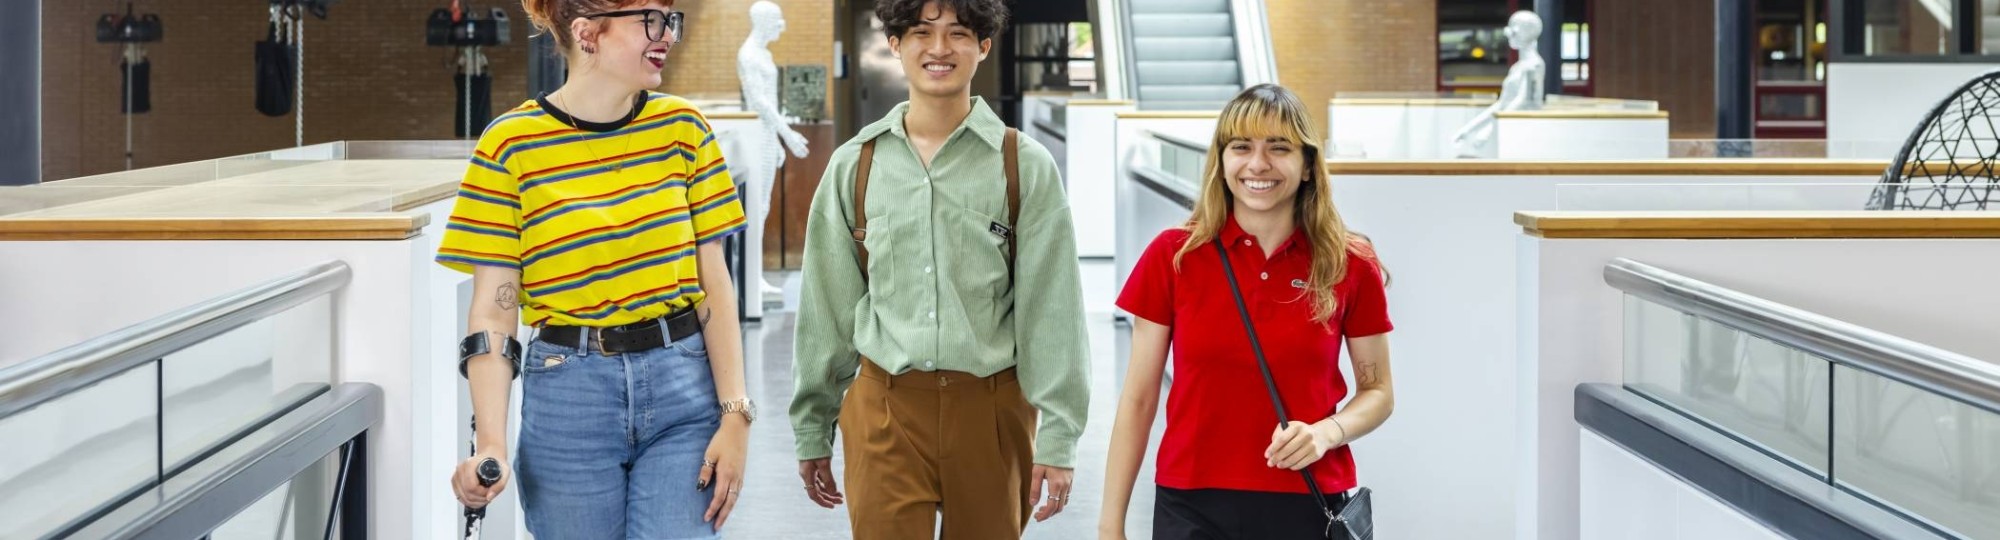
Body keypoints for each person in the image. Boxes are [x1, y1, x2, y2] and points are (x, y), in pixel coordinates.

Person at [439, 0, 753, 537]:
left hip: (682, 390)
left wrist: (736, 414)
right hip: (568, 396)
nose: (667, 36)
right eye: (650, 21)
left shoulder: (684, 129)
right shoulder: (509, 146)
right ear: (587, 34)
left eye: (670, 20)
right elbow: (494, 310)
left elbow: (714, 287)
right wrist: (490, 441)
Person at [789, 0, 1091, 537]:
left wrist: (1060, 438)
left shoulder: (1023, 166)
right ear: (896, 44)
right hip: (885, 408)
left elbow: (1053, 310)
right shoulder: (854, 166)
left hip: (993, 411)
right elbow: (826, 309)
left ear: (983, 47)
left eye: (958, 33)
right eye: (922, 33)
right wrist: (813, 427)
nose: (939, 48)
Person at [1098, 84, 1397, 539]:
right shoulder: (1174, 256)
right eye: (1241, 147)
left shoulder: (1350, 263)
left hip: (1308, 498)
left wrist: (1326, 433)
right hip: (1190, 501)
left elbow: (1378, 391)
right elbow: (1138, 400)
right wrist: (1110, 524)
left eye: (1279, 148)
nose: (1258, 164)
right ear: (1220, 162)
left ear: (1309, 166)